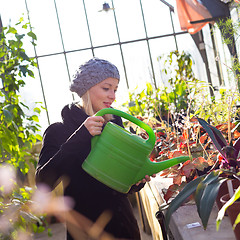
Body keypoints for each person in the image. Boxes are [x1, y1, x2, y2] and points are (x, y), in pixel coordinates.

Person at [35, 58, 155, 240]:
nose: (112, 96)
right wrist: (82, 135)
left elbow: (119, 183)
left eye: (115, 89)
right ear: (86, 90)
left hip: (124, 228)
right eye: (106, 88)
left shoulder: (114, 125)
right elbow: (43, 182)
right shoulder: (59, 131)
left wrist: (136, 180)